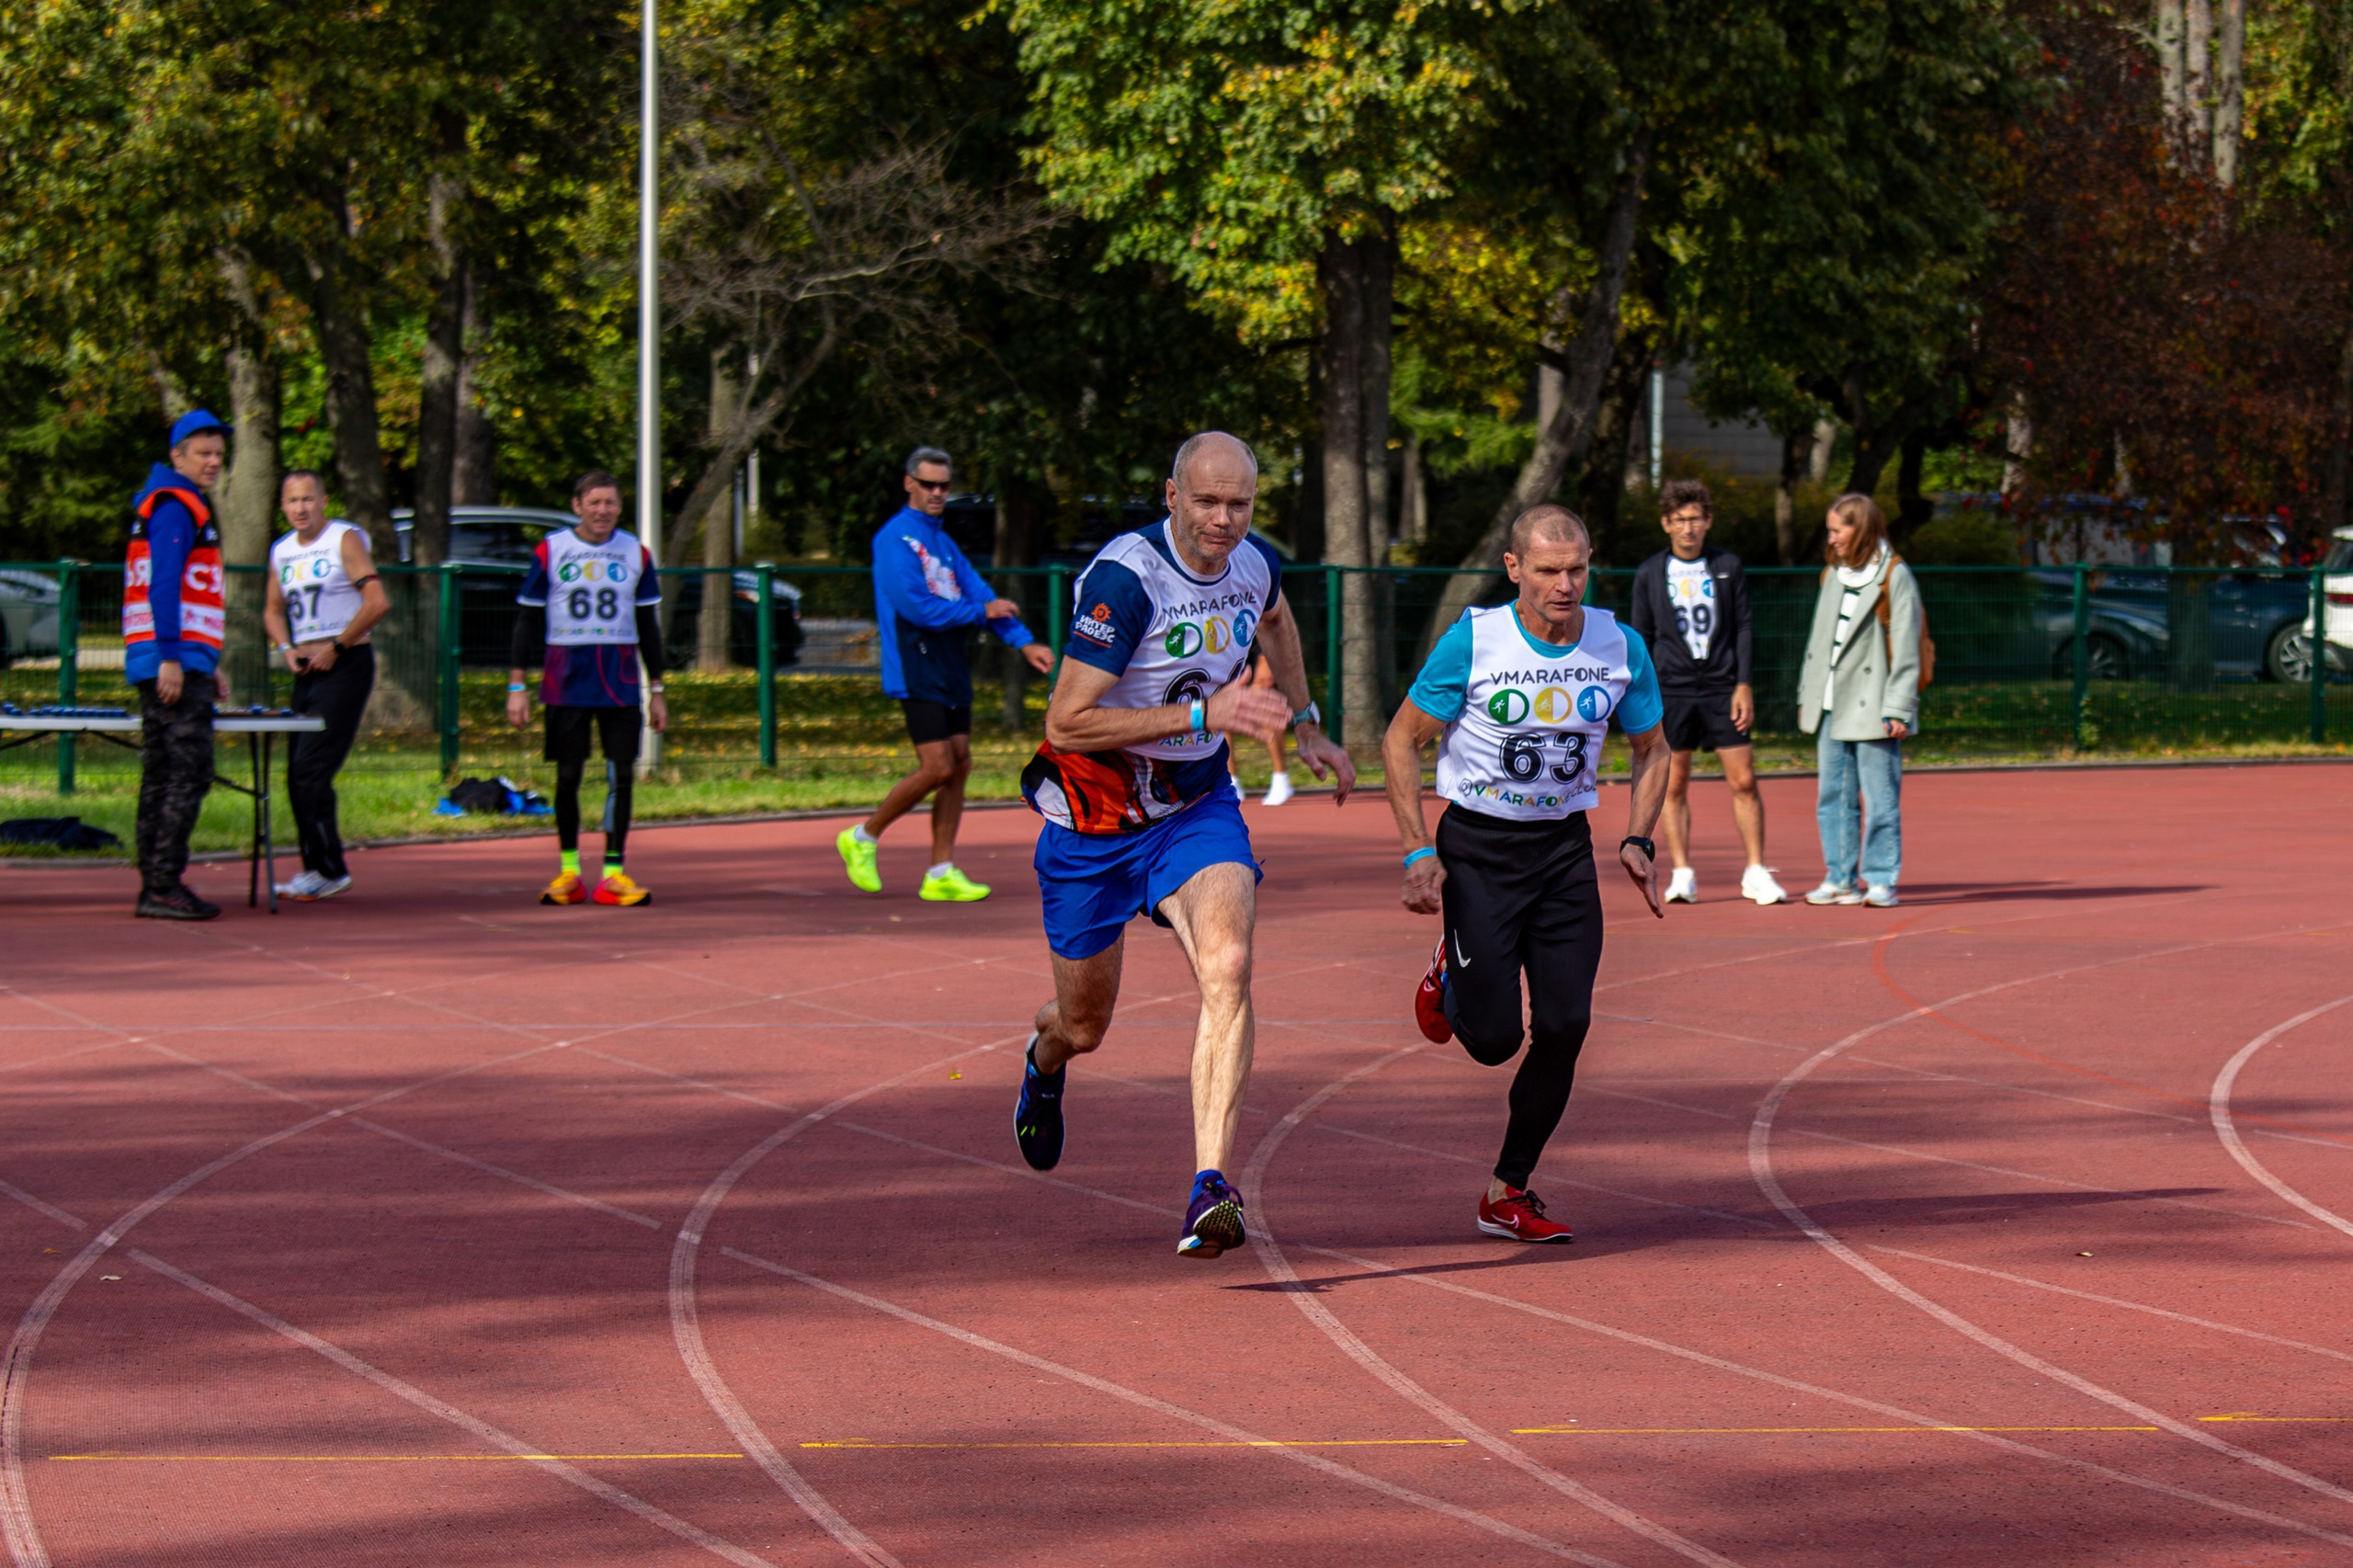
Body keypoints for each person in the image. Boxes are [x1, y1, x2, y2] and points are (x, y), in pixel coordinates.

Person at [1011, 431, 1353, 1258]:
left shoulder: (1254, 562)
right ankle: (1043, 1060)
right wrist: (1203, 715)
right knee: (1085, 1024)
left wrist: (1305, 722)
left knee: (1229, 965)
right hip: (1092, 820)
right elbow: (1066, 721)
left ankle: (1210, 1186)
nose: (1224, 520)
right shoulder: (1126, 583)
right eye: (1207, 501)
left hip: (1194, 806)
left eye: (1239, 503)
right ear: (1171, 496)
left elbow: (1276, 620)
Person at [1383, 504, 1670, 1244]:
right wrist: (1420, 852)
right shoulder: (1475, 642)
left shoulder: (1619, 645)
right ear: (1515, 569)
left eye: (1576, 569)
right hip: (1477, 851)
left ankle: (1507, 1189)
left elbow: (1653, 749)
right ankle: (1451, 965)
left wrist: (1639, 836)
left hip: (1563, 853)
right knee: (1490, 1042)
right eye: (1547, 571)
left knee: (1567, 1025)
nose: (1564, 584)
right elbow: (1400, 741)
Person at [836, 447, 1054, 902]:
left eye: (944, 485)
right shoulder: (895, 539)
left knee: (959, 766)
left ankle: (940, 871)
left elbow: (981, 593)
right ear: (909, 483)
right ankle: (862, 837)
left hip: (952, 664)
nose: (937, 493)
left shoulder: (943, 541)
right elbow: (918, 607)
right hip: (915, 664)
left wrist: (1024, 641)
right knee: (937, 766)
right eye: (929, 484)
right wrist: (981, 610)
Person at [506, 471, 668, 906]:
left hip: (619, 679)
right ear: (577, 505)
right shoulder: (552, 549)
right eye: (594, 502)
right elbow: (526, 620)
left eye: (611, 503)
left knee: (621, 776)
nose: (603, 510)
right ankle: (569, 872)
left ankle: (613, 872)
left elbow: (649, 628)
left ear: (620, 507)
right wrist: (516, 685)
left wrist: (658, 688)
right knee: (568, 777)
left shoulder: (636, 552)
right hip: (566, 678)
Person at [1626, 479, 1784, 905]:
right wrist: (1644, 698)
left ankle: (1755, 871)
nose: (1688, 528)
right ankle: (1682, 874)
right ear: (1665, 524)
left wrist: (1744, 684)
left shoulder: (1728, 566)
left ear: (1708, 520)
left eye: (1695, 518)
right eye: (1679, 520)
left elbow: (1745, 627)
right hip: (1672, 692)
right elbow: (1639, 637)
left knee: (1744, 780)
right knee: (1673, 785)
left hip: (1721, 687)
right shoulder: (1648, 574)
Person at [126, 410, 234, 920]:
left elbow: (188, 592)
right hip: (168, 658)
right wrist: (173, 655)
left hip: (173, 656)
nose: (213, 462)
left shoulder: (167, 502)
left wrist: (204, 660)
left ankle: (155, 880)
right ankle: (164, 884)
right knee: (188, 772)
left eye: (218, 454)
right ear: (177, 456)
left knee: (163, 771)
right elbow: (164, 584)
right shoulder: (175, 506)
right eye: (203, 454)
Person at [264, 470, 390, 902]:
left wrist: (338, 645)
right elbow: (272, 609)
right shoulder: (281, 550)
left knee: (311, 770)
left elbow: (377, 602)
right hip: (307, 668)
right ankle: (316, 867)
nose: (300, 508)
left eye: (308, 500)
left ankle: (330, 868)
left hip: (346, 664)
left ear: (323, 501)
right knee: (295, 773)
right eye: (292, 501)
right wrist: (285, 647)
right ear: (282, 506)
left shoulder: (344, 539)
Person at [1797, 493, 1921, 909]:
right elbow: (1818, 640)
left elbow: (1907, 648)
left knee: (1880, 796)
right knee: (1833, 795)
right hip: (1832, 703)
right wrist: (1807, 695)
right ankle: (1840, 877)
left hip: (1875, 705)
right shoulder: (1834, 573)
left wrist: (1899, 707)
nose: (1830, 539)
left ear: (1861, 529)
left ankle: (1881, 878)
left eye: (1838, 530)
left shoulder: (1894, 575)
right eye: (1830, 530)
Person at [1225, 642, 1295, 805]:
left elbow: (1267, 621)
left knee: (1264, 708)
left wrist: (1266, 660)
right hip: (1223, 657)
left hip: (1256, 655)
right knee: (1220, 717)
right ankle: (1232, 783)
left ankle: (1281, 779)